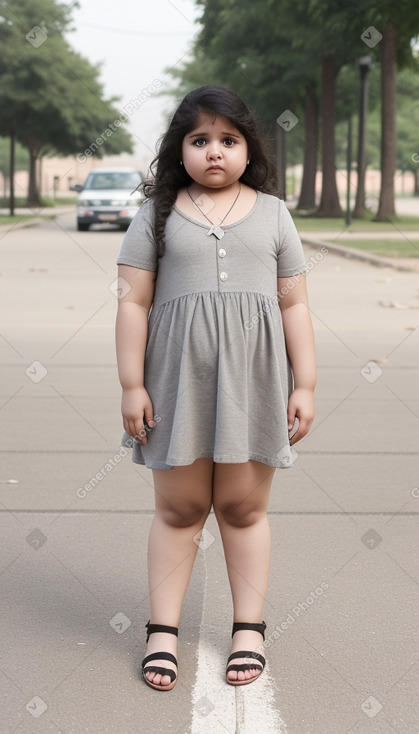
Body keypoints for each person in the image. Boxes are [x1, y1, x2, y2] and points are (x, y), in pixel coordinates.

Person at [115, 85, 316, 691]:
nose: (214, 152)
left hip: (255, 385)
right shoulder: (157, 214)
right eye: (200, 140)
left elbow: (295, 305)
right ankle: (163, 631)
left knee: (242, 507)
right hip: (177, 382)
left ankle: (248, 628)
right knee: (179, 509)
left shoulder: (274, 214)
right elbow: (132, 304)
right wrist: (131, 384)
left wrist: (303, 382)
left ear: (248, 149)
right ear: (181, 150)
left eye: (228, 140)